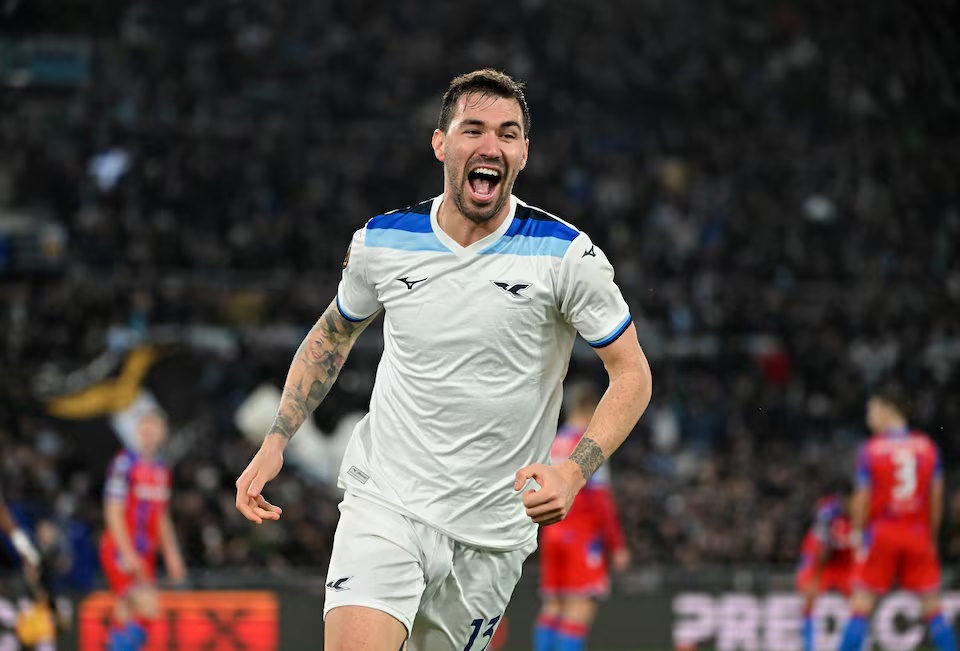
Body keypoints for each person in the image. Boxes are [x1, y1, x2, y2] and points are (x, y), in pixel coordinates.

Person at [235, 68, 653, 651]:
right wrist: (278, 437)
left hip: (491, 535)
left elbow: (631, 373)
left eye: (507, 134)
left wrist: (573, 470)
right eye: (473, 129)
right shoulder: (383, 241)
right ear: (441, 143)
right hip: (387, 504)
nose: (490, 146)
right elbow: (331, 336)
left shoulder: (566, 255)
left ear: (524, 152)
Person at [836, 390, 957, 651]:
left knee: (861, 606)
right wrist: (931, 536)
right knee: (933, 608)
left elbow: (862, 499)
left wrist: (858, 534)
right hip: (917, 532)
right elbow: (935, 499)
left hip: (882, 531)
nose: (870, 417)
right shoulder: (927, 447)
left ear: (887, 410)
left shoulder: (872, 449)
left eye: (872, 410)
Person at [535, 382, 630, 651]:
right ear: (593, 410)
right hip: (582, 537)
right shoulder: (588, 446)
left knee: (553, 607)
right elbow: (600, 499)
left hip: (553, 534)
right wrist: (618, 545)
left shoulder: (554, 441)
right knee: (579, 609)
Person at [100, 411, 186, 651]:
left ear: (162, 433)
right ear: (137, 432)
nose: (148, 434)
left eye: (154, 429)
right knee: (140, 606)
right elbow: (113, 510)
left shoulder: (161, 471)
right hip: (120, 549)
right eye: (144, 428)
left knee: (140, 615)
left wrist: (172, 554)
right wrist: (126, 552)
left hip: (144, 552)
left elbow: (161, 517)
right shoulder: (124, 463)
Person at [794, 487, 853, 651]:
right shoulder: (826, 516)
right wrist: (812, 579)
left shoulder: (855, 519)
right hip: (824, 566)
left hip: (844, 565)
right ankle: (809, 646)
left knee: (859, 605)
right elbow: (817, 552)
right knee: (808, 601)